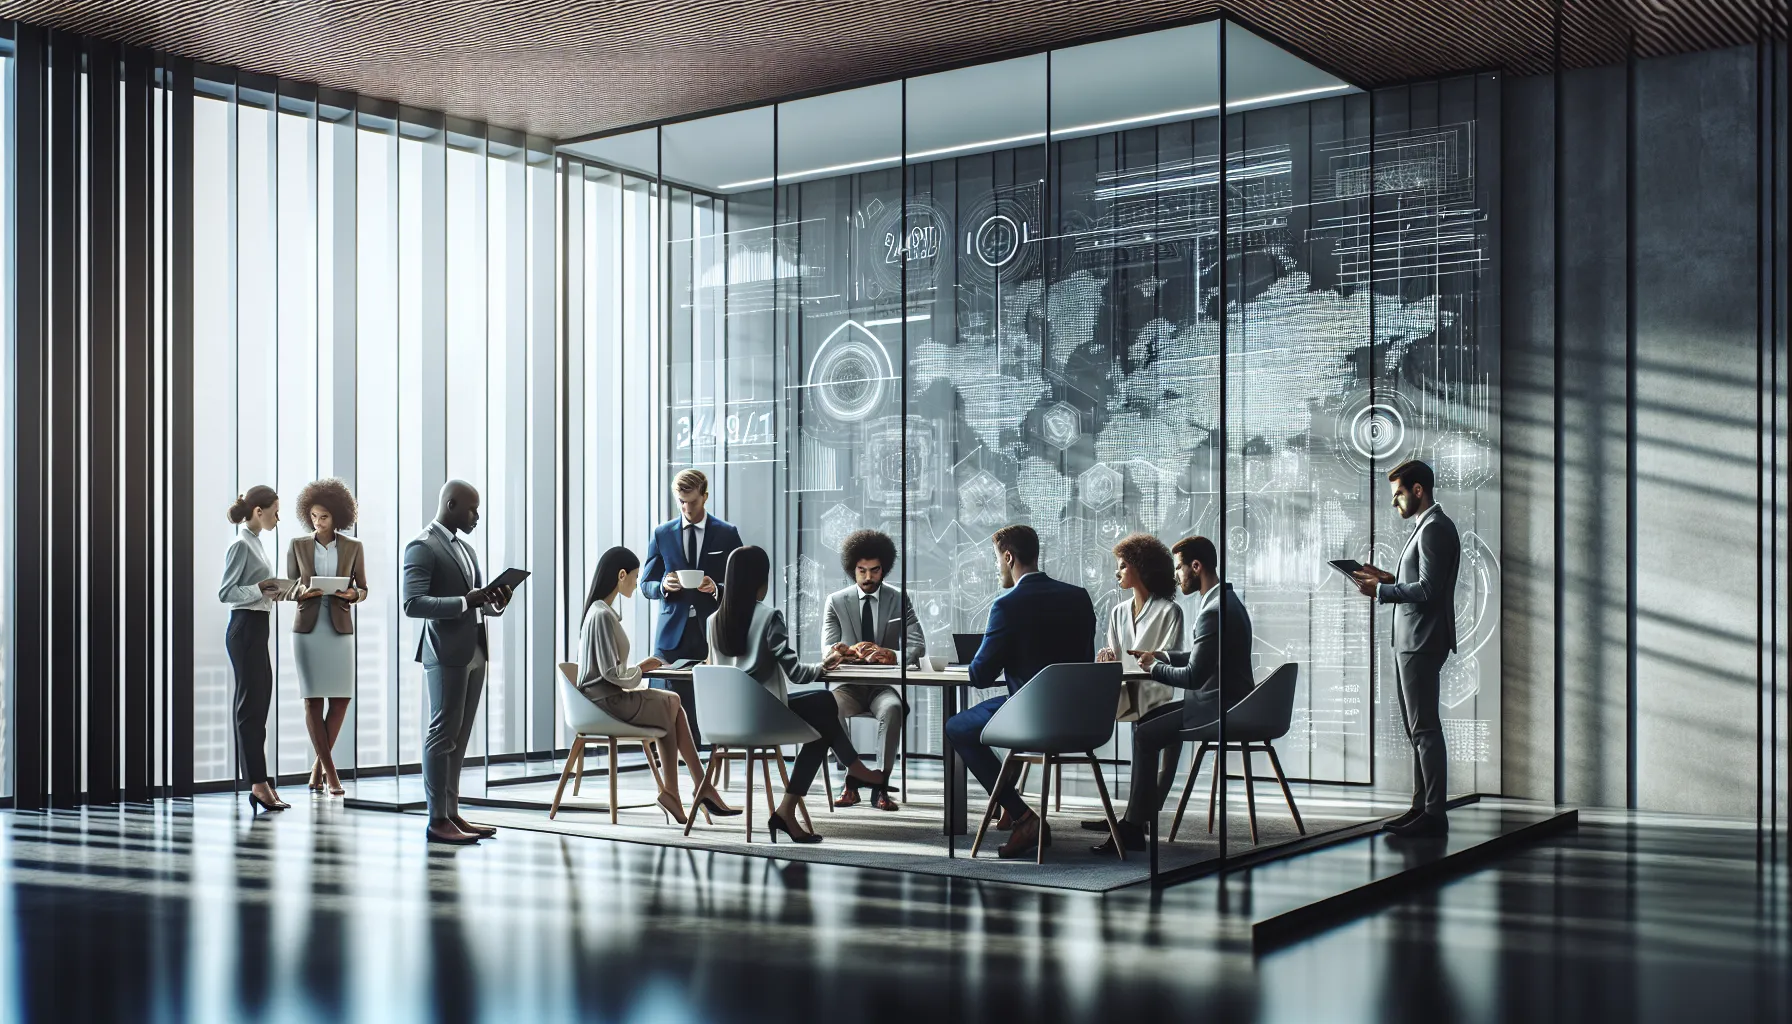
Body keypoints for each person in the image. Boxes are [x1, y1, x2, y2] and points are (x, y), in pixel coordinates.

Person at [705, 546, 892, 844]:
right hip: (761, 718)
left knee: (822, 709)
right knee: (823, 706)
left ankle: (850, 772)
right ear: (759, 580)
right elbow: (796, 673)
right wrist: (826, 665)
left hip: (724, 721)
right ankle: (808, 797)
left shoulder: (713, 621)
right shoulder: (768, 617)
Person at [943, 524, 1096, 859]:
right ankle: (1010, 807)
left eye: (997, 559)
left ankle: (1022, 815)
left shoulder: (1007, 605)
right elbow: (1084, 661)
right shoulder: (1079, 597)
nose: (997, 567)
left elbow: (981, 675)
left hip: (1033, 718)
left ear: (1008, 556)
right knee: (998, 711)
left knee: (956, 727)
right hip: (1082, 718)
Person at [1093, 535, 1254, 854]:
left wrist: (1152, 668)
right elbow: (1199, 658)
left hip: (1217, 708)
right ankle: (1135, 821)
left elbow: (1194, 677)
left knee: (1146, 735)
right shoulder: (1225, 602)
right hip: (1228, 702)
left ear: (1196, 567)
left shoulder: (1212, 611)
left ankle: (1133, 826)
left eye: (1180, 568)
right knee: (1148, 726)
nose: (1176, 576)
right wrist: (1162, 656)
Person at [575, 546, 738, 823]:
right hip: (604, 702)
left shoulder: (600, 612)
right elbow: (611, 673)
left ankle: (678, 792)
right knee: (673, 702)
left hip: (601, 699)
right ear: (621, 574)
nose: (637, 582)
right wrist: (642, 667)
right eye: (635, 576)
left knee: (672, 709)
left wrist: (641, 667)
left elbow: (608, 670)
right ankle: (697, 788)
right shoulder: (601, 615)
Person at [1352, 459, 1461, 838]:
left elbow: (1429, 590)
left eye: (1398, 494)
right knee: (1419, 729)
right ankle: (1422, 807)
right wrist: (1389, 579)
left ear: (1418, 490)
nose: (1394, 502)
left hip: (1421, 641)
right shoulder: (1429, 527)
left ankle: (1434, 813)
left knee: (1425, 729)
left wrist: (1382, 591)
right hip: (1414, 640)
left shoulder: (1434, 528)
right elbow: (1420, 582)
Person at [402, 480, 514, 845]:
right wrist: (465, 601)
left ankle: (451, 812)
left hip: (475, 650)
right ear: (451, 505)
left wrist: (496, 601)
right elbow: (413, 604)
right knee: (442, 733)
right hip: (445, 652)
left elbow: (477, 602)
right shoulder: (421, 547)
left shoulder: (467, 549)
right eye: (472, 509)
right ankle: (437, 820)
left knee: (460, 738)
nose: (477, 517)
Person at [821, 529, 922, 811]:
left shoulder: (898, 599)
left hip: (882, 688)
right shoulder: (836, 601)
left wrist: (892, 655)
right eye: (861, 571)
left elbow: (917, 645)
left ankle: (881, 784)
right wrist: (848, 652)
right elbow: (827, 650)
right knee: (828, 708)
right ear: (852, 568)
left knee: (893, 710)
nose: (868, 578)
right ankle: (852, 779)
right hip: (847, 688)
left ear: (884, 569)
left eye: (874, 571)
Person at [641, 469, 744, 739]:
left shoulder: (726, 533)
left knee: (708, 702)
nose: (686, 508)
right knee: (667, 703)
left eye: (692, 501)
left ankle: (706, 764)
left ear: (705, 497)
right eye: (681, 501)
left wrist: (717, 589)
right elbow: (645, 585)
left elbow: (743, 583)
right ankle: (671, 765)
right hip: (670, 634)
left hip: (710, 632)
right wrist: (663, 586)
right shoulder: (662, 533)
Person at [285, 478, 368, 798]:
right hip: (307, 629)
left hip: (339, 626)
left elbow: (363, 588)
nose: (318, 522)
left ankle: (318, 768)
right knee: (312, 698)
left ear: (338, 517)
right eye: (314, 516)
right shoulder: (298, 545)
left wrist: (353, 593)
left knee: (342, 698)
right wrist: (303, 591)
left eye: (325, 517)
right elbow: (288, 586)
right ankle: (331, 774)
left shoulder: (353, 547)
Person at [218, 484, 296, 812]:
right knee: (250, 710)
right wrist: (260, 588)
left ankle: (260, 781)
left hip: (257, 628)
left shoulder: (256, 544)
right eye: (275, 512)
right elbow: (226, 593)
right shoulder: (240, 545)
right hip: (244, 629)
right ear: (258, 511)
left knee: (259, 706)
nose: (279, 518)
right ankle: (258, 784)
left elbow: (256, 591)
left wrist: (274, 591)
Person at [1097, 533, 1184, 723]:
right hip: (1125, 695)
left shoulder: (1170, 611)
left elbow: (1170, 659)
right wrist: (1107, 658)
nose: (1116, 573)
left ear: (1139, 566)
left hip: (1157, 695)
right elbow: (1116, 660)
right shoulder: (1118, 612)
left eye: (1122, 566)